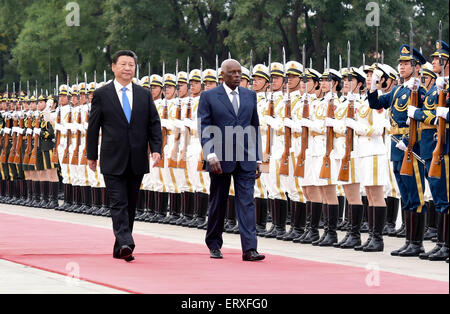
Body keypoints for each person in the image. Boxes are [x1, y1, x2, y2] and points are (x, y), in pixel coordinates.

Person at [87, 50, 162, 262]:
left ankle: (120, 246)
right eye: (123, 64)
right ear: (113, 67)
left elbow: (153, 123)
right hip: (112, 157)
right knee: (117, 202)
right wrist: (91, 154)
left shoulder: (144, 94)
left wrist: (156, 148)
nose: (128, 68)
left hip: (137, 156)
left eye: (131, 64)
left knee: (129, 203)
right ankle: (127, 241)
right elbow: (93, 127)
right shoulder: (102, 94)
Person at [198, 59, 265, 261]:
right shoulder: (209, 96)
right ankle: (214, 244)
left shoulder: (250, 95)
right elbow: (204, 127)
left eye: (240, 72)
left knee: (247, 202)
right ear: (223, 75)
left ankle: (249, 249)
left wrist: (258, 158)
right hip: (219, 158)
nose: (237, 76)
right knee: (218, 202)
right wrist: (210, 155)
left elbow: (255, 127)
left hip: (245, 157)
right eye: (233, 72)